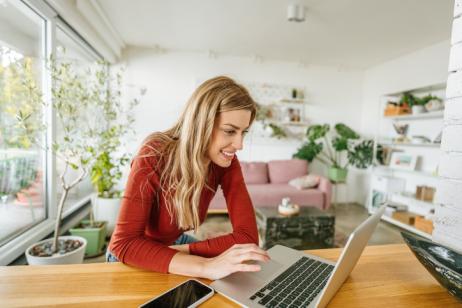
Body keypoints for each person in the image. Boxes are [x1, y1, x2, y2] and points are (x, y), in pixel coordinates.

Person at [107, 76, 270, 280]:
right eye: (230, 131)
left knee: (241, 264)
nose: (239, 144)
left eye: (243, 133)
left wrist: (179, 252)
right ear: (201, 124)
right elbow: (124, 243)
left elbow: (247, 237)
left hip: (175, 244)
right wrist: (204, 266)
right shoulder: (154, 154)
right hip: (132, 257)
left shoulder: (225, 162)